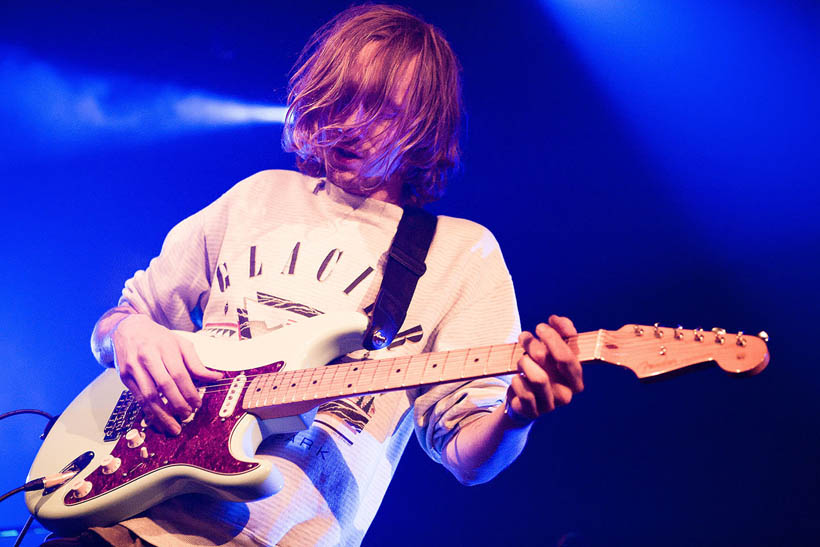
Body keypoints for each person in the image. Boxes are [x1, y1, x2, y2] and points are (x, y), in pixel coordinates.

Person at [76, 5, 583, 546]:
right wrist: (130, 333)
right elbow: (116, 325)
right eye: (338, 98)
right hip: (120, 519)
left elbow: (468, 458)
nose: (347, 124)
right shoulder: (257, 196)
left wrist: (515, 416)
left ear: (424, 127)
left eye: (379, 109)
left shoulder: (463, 254)